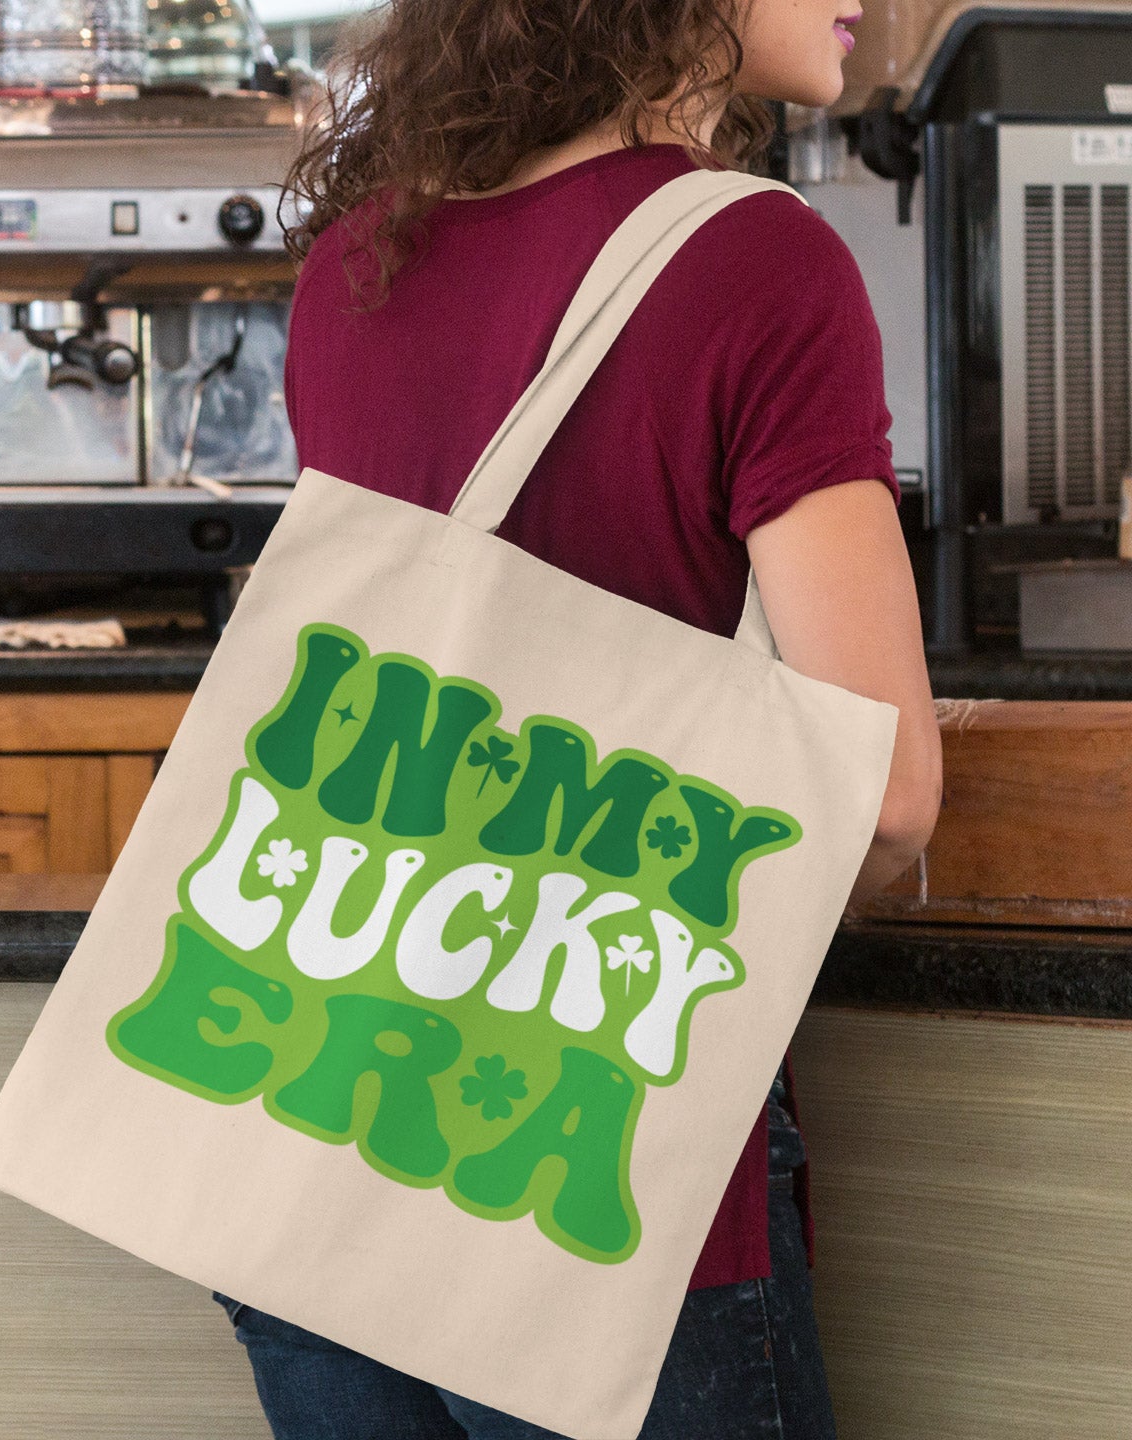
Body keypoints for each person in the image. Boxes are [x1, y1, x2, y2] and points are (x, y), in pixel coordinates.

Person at [211, 0, 944, 1433]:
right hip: (590, 1176)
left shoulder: (357, 262)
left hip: (316, 1137)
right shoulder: (756, 256)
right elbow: (889, 790)